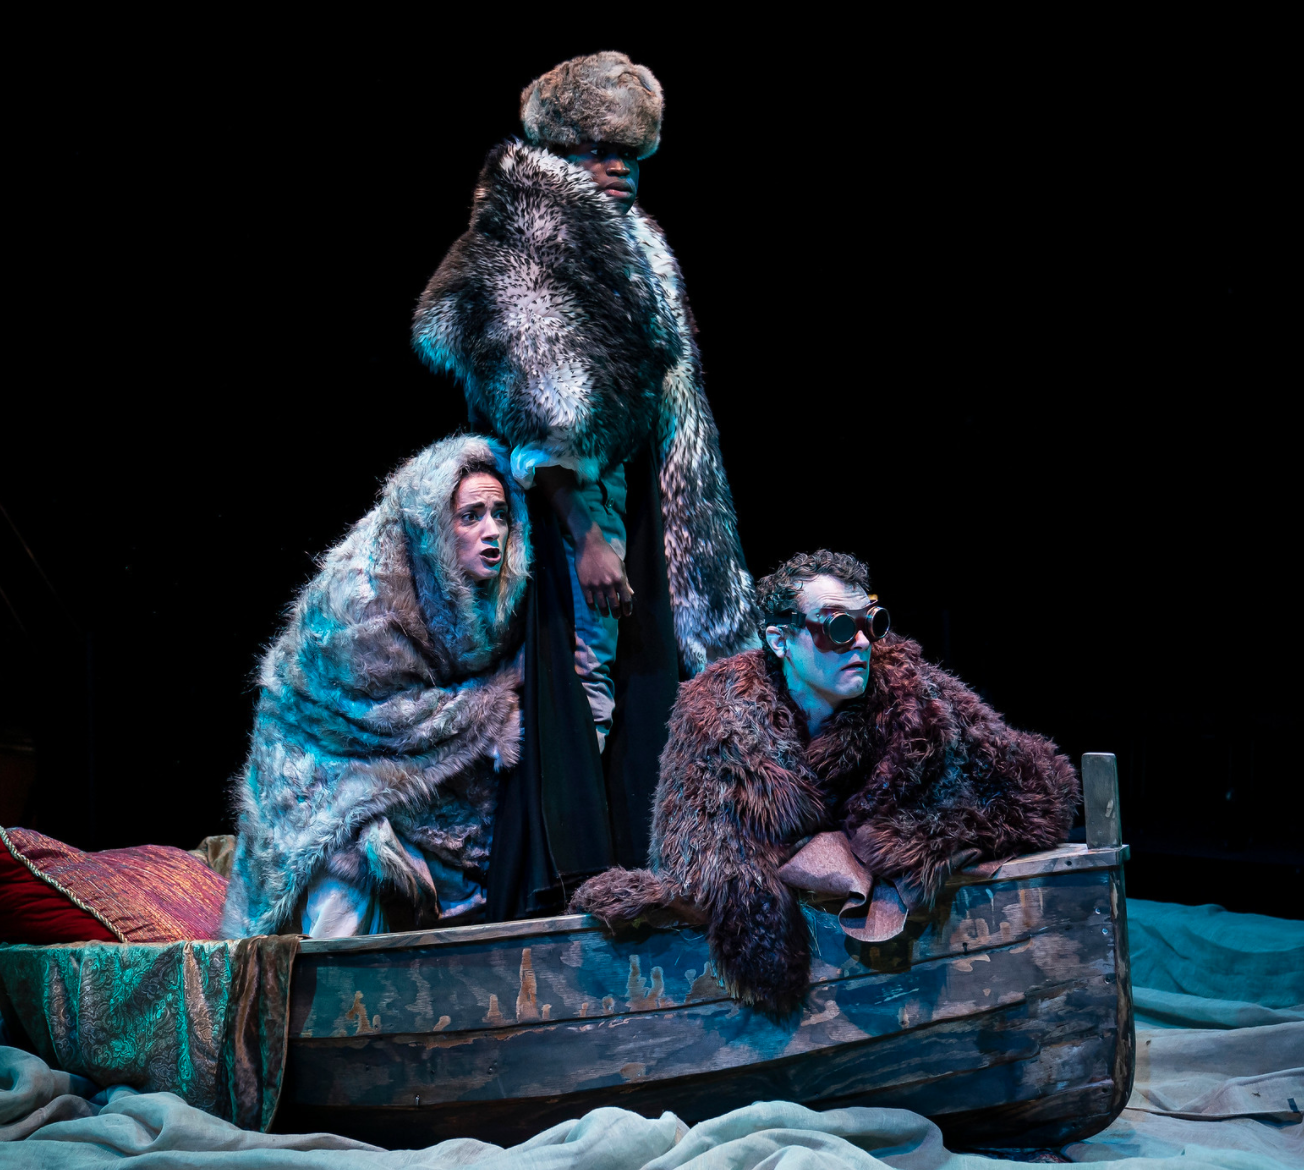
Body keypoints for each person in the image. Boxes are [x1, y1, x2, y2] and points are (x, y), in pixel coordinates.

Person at [412, 52, 758, 910]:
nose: (618, 169)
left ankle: (652, 869)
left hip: (639, 497)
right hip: (561, 511)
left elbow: (667, 392)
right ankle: (573, 881)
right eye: (599, 150)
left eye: (630, 154)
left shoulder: (639, 245)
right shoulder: (523, 242)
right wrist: (587, 534)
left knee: (647, 685)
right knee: (578, 690)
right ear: (559, 151)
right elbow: (528, 416)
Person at [571, 550, 1080, 1012]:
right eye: (837, 627)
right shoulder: (718, 721)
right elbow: (698, 853)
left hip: (922, 983)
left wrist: (917, 837)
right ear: (780, 640)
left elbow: (1042, 788)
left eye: (870, 623)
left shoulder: (913, 698)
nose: (860, 642)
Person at [219, 435, 529, 938]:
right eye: (471, 516)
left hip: (407, 775)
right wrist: (493, 701)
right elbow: (372, 716)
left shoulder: (498, 602)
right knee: (344, 866)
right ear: (432, 526)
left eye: (500, 514)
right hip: (320, 768)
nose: (491, 530)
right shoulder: (363, 593)